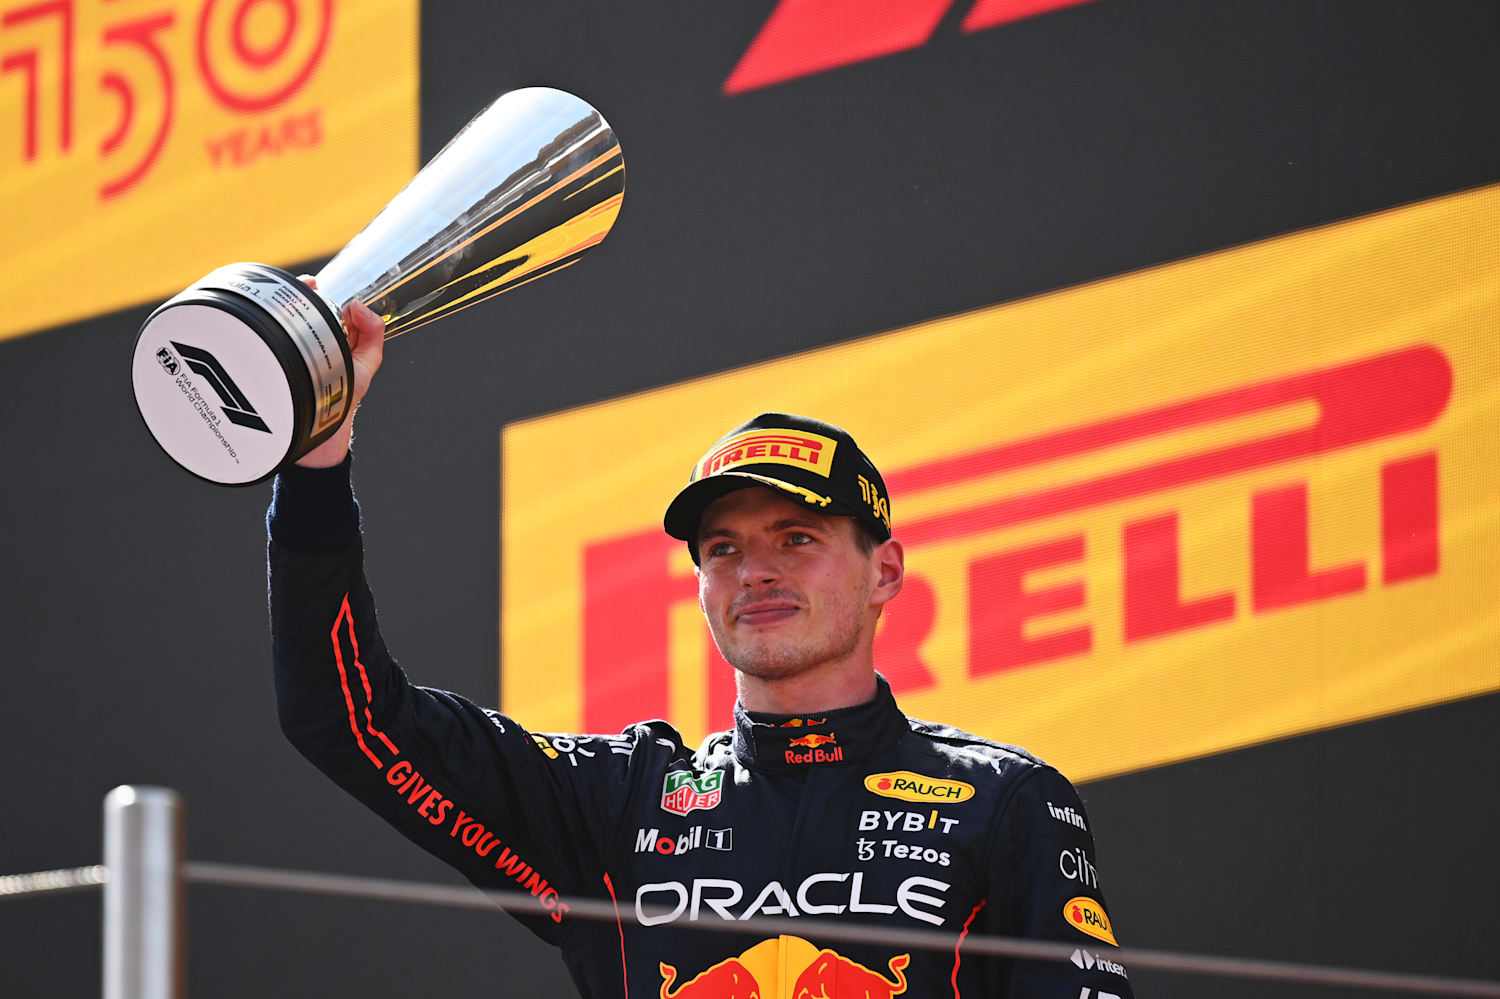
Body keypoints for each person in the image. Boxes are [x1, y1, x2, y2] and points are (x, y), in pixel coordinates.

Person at [267, 289, 1135, 998]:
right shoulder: (620, 803)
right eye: (723, 548)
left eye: (796, 536)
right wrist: (317, 460)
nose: (754, 569)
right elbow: (346, 718)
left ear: (885, 572)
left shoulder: (1005, 800)